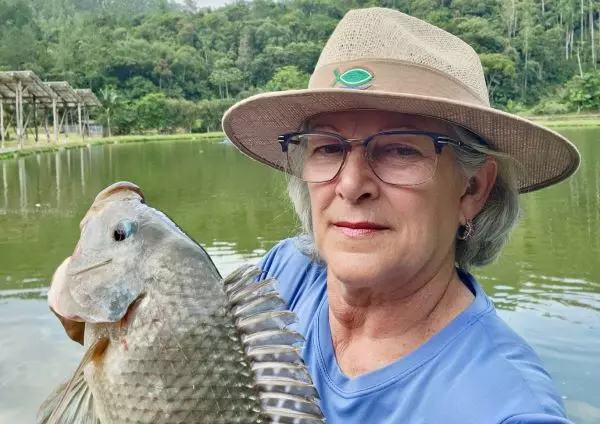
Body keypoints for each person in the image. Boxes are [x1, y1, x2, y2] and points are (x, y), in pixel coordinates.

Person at [223, 7, 580, 424]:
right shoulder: (283, 274)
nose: (352, 185)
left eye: (400, 149)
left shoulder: (508, 411)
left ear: (472, 189)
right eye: (327, 147)